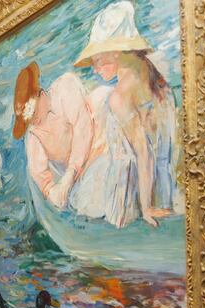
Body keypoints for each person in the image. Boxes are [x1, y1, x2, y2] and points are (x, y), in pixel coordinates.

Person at [72, 0, 179, 228]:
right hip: (162, 183)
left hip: (128, 190)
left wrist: (147, 207)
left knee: (81, 194)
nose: (94, 68)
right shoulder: (156, 78)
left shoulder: (119, 97)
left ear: (117, 53)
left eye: (98, 59)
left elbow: (143, 152)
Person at [12, 61, 94, 209]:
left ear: (41, 94)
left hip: (97, 142)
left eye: (33, 113)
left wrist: (70, 172)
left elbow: (83, 128)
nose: (32, 121)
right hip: (76, 172)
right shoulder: (33, 133)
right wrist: (52, 192)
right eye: (27, 120)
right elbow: (39, 173)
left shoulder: (65, 88)